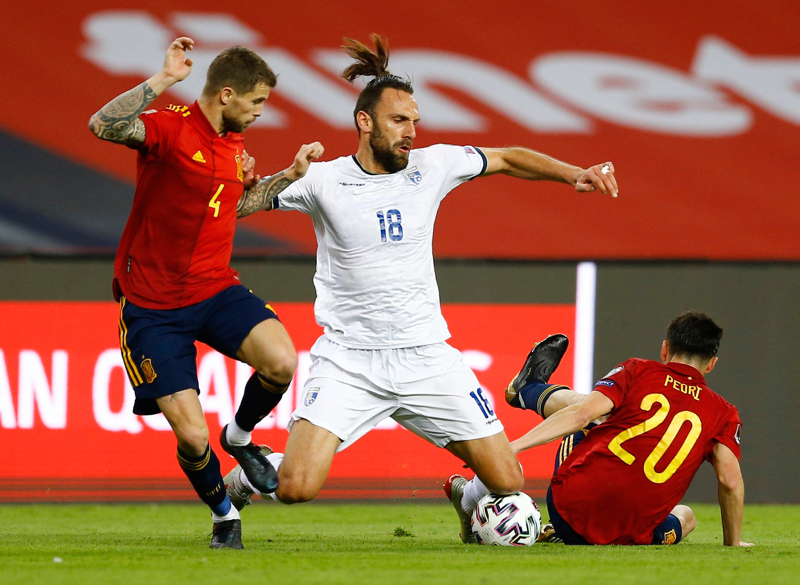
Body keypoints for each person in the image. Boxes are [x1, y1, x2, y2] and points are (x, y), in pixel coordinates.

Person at [221, 34, 618, 523]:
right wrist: (250, 180)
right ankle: (243, 478)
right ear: (364, 122)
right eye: (399, 120)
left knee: (508, 480)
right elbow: (236, 208)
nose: (411, 131)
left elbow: (509, 157)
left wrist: (573, 172)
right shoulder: (322, 180)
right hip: (350, 360)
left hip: (426, 357)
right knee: (297, 487)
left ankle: (465, 502)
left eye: (414, 121)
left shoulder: (434, 165)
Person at [88, 37, 323, 549]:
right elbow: (101, 125)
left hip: (214, 287)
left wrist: (289, 175)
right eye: (257, 101)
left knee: (282, 360)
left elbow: (231, 208)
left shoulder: (233, 145)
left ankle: (239, 438)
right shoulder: (169, 127)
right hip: (151, 306)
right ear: (227, 95)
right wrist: (164, 79)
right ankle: (224, 516)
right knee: (191, 436)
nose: (261, 112)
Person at [450, 312, 753, 546]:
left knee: (600, 412)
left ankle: (528, 390)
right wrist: (733, 543)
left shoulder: (638, 370)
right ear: (711, 364)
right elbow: (729, 480)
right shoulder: (725, 413)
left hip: (569, 513)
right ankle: (529, 388)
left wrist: (511, 447)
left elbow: (581, 416)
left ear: (665, 349)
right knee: (686, 516)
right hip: (635, 537)